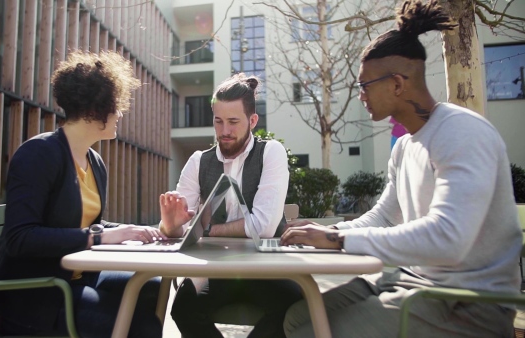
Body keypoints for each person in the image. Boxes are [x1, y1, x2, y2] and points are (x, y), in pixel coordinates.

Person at [280, 1, 522, 337]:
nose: (360, 95)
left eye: (364, 85)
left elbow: (447, 239)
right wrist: (319, 234)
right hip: (412, 282)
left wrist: (338, 238)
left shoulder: (463, 132)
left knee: (312, 332)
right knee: (298, 317)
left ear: (396, 84)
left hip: (467, 303)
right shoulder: (406, 145)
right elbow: (383, 216)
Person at [0, 50, 188, 338]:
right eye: (116, 105)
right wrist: (101, 237)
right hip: (34, 296)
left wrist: (137, 231)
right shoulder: (38, 154)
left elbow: (87, 225)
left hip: (74, 281)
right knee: (142, 327)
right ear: (96, 108)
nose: (120, 113)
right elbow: (20, 238)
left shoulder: (95, 161)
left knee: (150, 287)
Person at [160, 73, 303, 337]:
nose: (224, 131)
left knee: (297, 305)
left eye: (234, 122)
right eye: (218, 121)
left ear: (253, 121)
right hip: (215, 269)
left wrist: (207, 229)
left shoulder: (271, 152)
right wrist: (169, 224)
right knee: (183, 307)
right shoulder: (197, 161)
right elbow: (181, 228)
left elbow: (265, 226)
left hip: (267, 267)